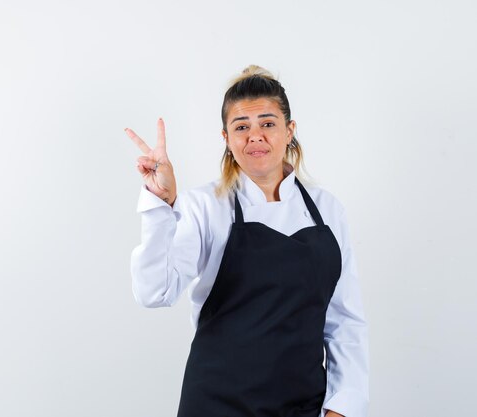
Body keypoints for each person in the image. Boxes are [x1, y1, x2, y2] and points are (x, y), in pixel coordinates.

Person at [125, 65, 369, 417]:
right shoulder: (205, 205)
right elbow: (154, 293)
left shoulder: (328, 210)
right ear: (226, 139)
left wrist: (342, 407)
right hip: (216, 404)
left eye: (267, 124)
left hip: (304, 405)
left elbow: (345, 321)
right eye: (242, 127)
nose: (255, 136)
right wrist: (159, 205)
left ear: (290, 131)